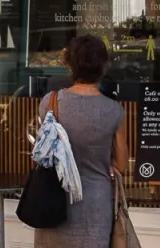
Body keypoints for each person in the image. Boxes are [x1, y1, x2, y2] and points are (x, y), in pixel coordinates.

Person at [34, 35, 127, 248]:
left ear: (69, 65)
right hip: (95, 205)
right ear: (103, 66)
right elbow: (121, 164)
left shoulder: (50, 103)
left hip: (52, 201)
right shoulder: (114, 111)